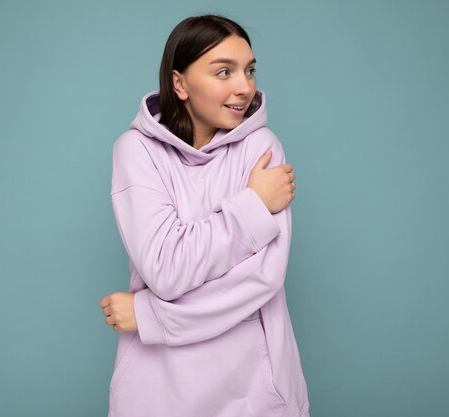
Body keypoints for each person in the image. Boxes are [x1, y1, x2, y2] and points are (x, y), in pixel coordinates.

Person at [98, 14, 310, 417]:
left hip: (255, 390)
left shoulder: (262, 148)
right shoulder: (136, 151)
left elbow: (262, 279)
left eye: (249, 70)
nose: (244, 87)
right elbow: (165, 268)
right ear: (180, 84)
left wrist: (150, 313)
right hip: (157, 387)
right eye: (224, 72)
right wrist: (252, 206)